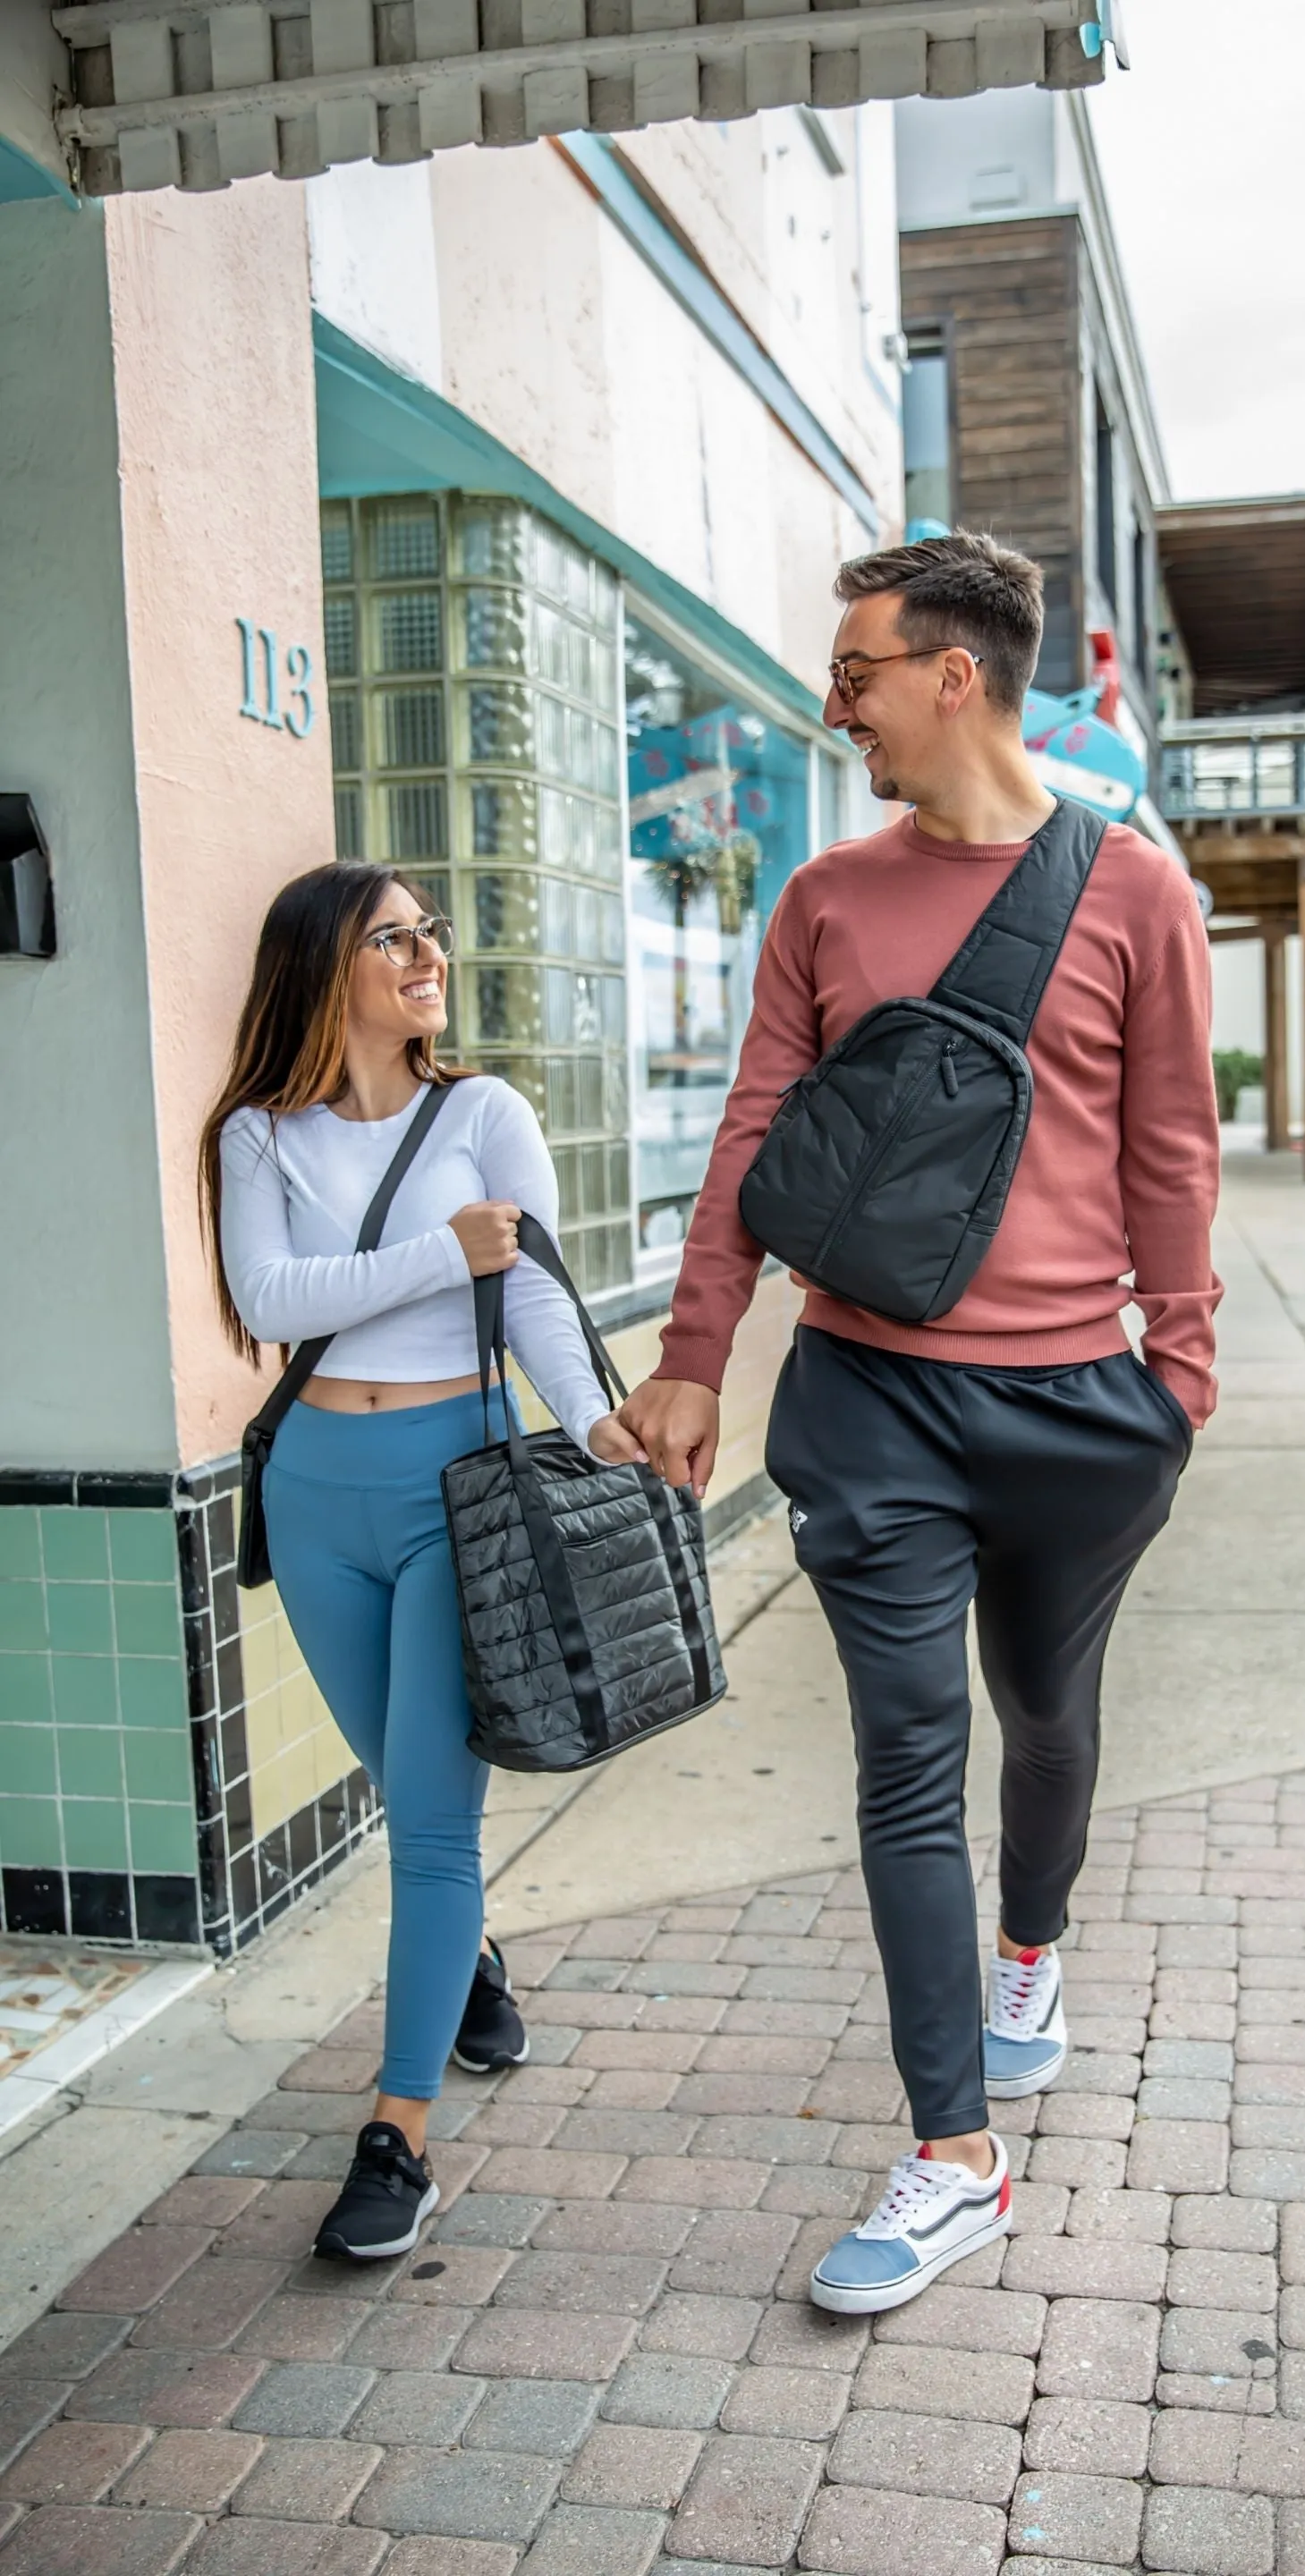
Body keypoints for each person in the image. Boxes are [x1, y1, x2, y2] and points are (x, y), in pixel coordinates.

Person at [619, 532, 1222, 2314]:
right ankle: (955, 2154)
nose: (837, 702)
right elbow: (753, 1142)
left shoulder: (1133, 894)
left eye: (861, 670)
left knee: (1046, 1717)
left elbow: (1172, 1152)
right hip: (870, 1398)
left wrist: (1180, 1375)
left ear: (957, 673)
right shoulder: (824, 898)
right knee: (905, 1757)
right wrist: (696, 1354)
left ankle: (1033, 1948)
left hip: (1077, 1410)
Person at [199, 862, 646, 2259]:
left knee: (431, 1827)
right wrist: (440, 1254)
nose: (424, 954)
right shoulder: (258, 1134)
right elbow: (269, 1302)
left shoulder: (487, 1113)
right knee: (404, 1778)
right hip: (318, 1487)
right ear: (324, 966)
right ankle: (472, 1964)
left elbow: (537, 1296)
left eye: (428, 934)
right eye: (391, 938)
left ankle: (397, 2138)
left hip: (459, 1490)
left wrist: (592, 1419)